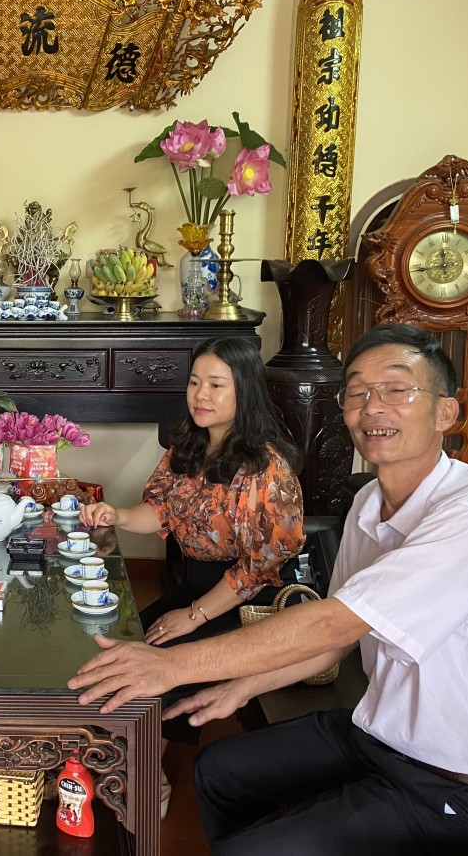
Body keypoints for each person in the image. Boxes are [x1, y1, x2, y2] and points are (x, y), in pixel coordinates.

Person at [68, 324, 468, 854]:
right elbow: (336, 643)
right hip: (379, 737)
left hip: (461, 783)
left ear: (445, 413)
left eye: (397, 389)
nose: (373, 407)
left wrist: (171, 665)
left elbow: (330, 624)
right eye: (358, 392)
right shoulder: (369, 504)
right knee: (218, 769)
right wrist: (244, 686)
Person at [78, 337, 304, 813]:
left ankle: (149, 777)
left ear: (244, 390)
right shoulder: (189, 446)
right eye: (195, 382)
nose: (201, 395)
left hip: (247, 601)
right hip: (197, 586)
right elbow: (160, 511)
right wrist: (116, 515)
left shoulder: (264, 468)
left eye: (217, 385)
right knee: (122, 647)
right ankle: (111, 752)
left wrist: (195, 615)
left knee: (156, 664)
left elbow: (259, 569)